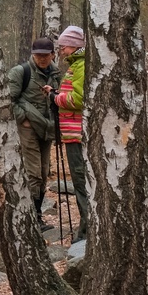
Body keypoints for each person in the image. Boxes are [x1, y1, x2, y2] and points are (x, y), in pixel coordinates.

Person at [7, 37, 61, 227]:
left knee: (44, 172)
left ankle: (37, 215)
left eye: (46, 55)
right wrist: (24, 119)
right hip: (29, 129)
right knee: (33, 173)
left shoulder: (56, 74)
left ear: (52, 55)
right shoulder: (21, 72)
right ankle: (30, 218)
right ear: (33, 54)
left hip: (47, 129)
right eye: (38, 55)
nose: (42, 59)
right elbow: (8, 101)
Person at [53, 25, 90, 241]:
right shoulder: (76, 65)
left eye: (64, 46)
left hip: (77, 133)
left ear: (74, 45)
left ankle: (86, 232)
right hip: (73, 132)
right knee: (80, 182)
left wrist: (55, 99)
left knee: (81, 182)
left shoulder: (81, 65)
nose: (62, 51)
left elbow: (79, 99)